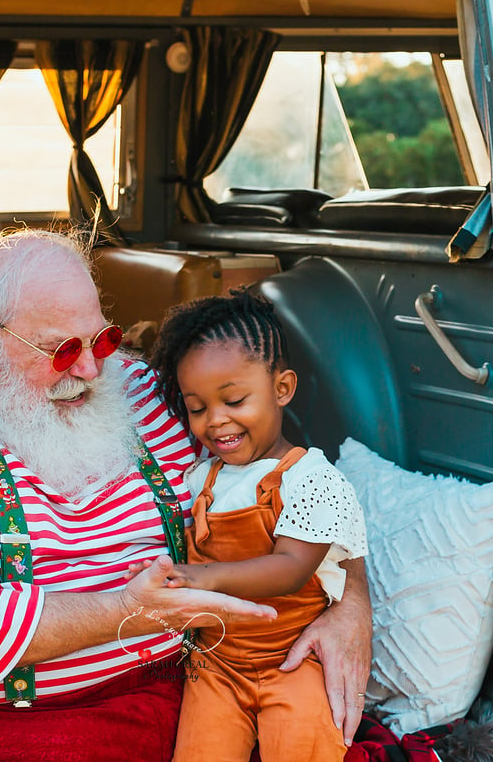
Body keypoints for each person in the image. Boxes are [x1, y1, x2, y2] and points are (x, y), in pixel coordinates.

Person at [0, 228, 372, 761]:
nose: (89, 368)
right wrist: (128, 609)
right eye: (60, 349)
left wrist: (352, 604)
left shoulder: (141, 386)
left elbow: (296, 484)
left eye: (101, 338)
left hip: (184, 695)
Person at [147, 289, 368, 762]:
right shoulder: (200, 478)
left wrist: (196, 577)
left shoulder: (312, 477)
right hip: (216, 666)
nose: (215, 421)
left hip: (293, 660)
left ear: (282, 389)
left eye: (234, 400)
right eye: (197, 407)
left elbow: (290, 568)